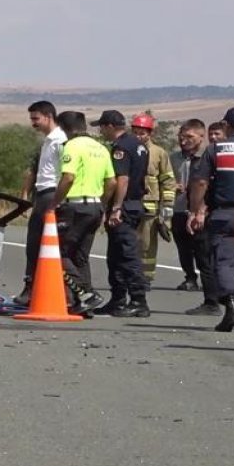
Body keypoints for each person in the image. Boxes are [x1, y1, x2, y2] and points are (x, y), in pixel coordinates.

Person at [189, 107, 234, 332]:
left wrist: (194, 210)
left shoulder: (216, 150)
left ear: (227, 126)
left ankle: (230, 305)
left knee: (224, 262)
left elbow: (201, 183)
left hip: (224, 214)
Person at [51, 111, 116, 314]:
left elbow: (68, 178)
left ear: (64, 128)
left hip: (75, 207)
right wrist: (102, 204)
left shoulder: (72, 146)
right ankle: (84, 304)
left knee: (59, 253)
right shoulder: (101, 148)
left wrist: (54, 202)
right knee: (80, 256)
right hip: (95, 206)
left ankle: (87, 294)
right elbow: (111, 182)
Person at [92, 110, 151, 317]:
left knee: (126, 254)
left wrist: (115, 207)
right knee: (116, 255)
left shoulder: (121, 147)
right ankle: (117, 299)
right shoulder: (139, 145)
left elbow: (122, 179)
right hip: (134, 204)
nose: (101, 131)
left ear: (109, 126)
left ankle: (138, 300)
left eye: (102, 126)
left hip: (124, 206)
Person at [14, 101, 69, 305]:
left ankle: (34, 290)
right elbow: (34, 170)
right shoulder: (47, 141)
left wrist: (57, 200)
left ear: (48, 116)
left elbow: (66, 173)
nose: (33, 123)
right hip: (42, 193)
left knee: (39, 244)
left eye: (36, 119)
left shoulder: (60, 141)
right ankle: (32, 287)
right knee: (33, 245)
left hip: (50, 194)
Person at [171, 119, 220, 314]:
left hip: (201, 212)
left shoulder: (208, 157)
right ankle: (190, 277)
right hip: (179, 208)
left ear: (201, 136)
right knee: (183, 247)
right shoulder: (174, 158)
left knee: (204, 254)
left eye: (189, 137)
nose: (184, 141)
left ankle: (212, 298)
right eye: (181, 137)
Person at [130, 113, 176, 284]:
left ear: (150, 133)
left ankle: (146, 277)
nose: (138, 136)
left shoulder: (159, 153)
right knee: (130, 243)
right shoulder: (127, 150)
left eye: (142, 133)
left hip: (151, 207)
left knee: (147, 245)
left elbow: (168, 180)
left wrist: (167, 207)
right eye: (135, 132)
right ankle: (131, 276)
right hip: (131, 205)